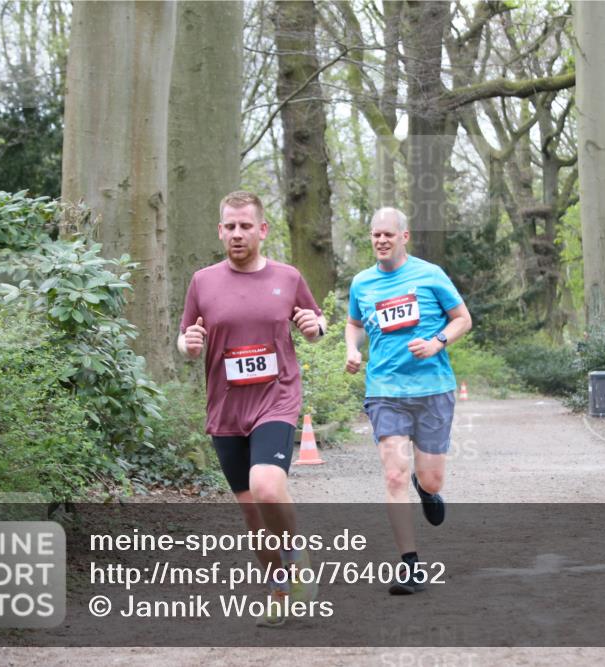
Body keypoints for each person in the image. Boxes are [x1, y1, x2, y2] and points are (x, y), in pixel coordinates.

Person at [178, 190, 327, 626]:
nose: (238, 233)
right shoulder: (203, 281)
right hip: (226, 408)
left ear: (262, 230)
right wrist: (188, 345)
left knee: (265, 486)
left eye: (246, 225)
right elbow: (187, 336)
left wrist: (313, 327)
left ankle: (298, 562)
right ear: (220, 230)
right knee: (251, 512)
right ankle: (280, 591)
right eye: (230, 226)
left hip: (276, 399)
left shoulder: (288, 276)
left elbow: (316, 326)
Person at [344, 207, 472, 595]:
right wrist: (352, 349)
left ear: (404, 236)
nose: (380, 240)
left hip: (433, 389)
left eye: (387, 234)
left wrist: (437, 343)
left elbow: (462, 318)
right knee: (393, 474)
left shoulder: (430, 275)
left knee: (430, 478)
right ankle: (410, 566)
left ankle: (426, 487)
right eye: (374, 235)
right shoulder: (362, 283)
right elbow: (354, 323)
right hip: (385, 391)